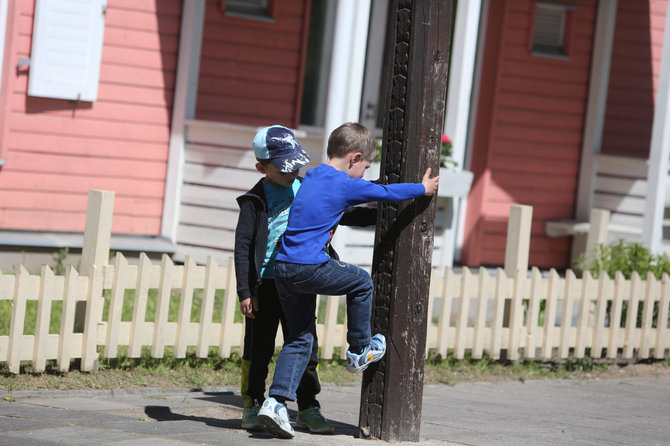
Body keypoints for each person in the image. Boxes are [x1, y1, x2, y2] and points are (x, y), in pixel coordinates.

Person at [258, 122, 440, 439]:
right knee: (360, 282)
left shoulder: (313, 175)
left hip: (284, 269)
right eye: (365, 166)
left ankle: (274, 404)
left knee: (299, 339)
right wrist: (422, 189)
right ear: (355, 157)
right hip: (308, 266)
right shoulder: (344, 184)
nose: (364, 173)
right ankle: (359, 349)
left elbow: (366, 189)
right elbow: (384, 193)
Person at [234, 125, 332, 434]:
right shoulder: (254, 200)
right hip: (265, 286)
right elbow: (243, 247)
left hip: (301, 281)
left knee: (305, 346)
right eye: (284, 167)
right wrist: (245, 290)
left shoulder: (304, 188)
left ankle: (308, 407)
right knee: (257, 348)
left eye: (296, 164)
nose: (293, 172)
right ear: (261, 167)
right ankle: (252, 404)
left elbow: (337, 210)